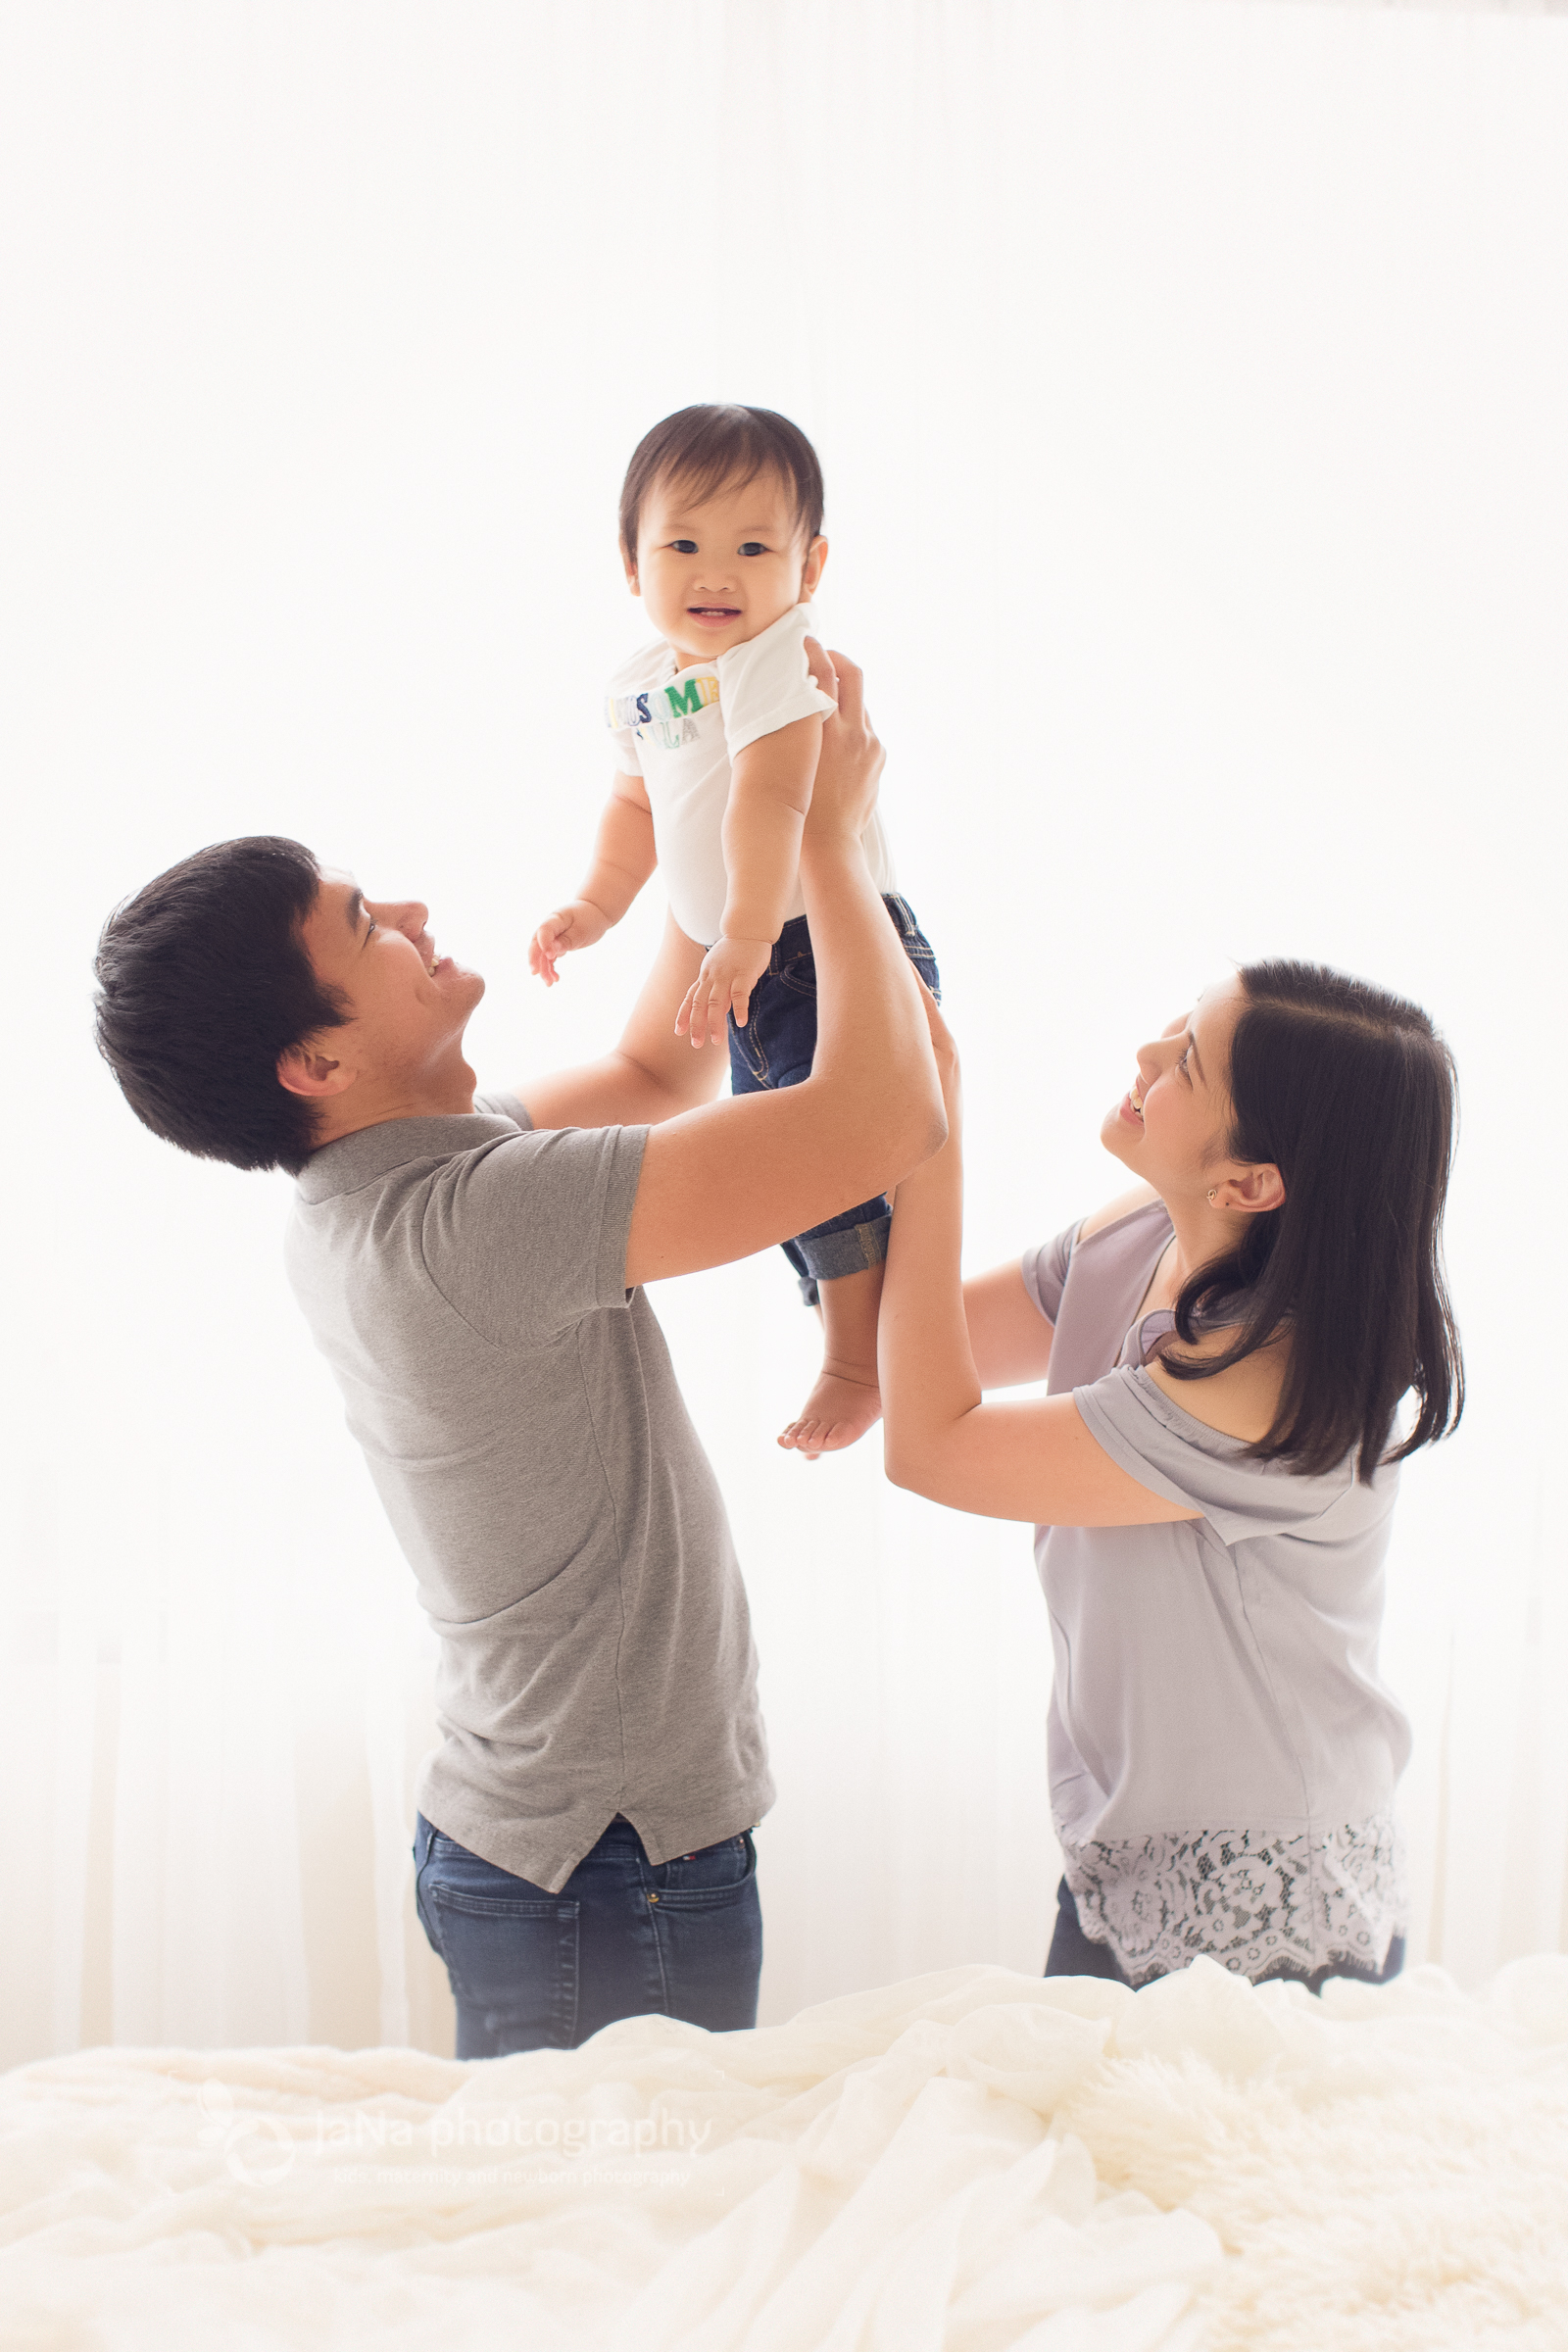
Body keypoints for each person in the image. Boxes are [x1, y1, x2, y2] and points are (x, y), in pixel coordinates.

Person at [92, 657, 944, 2057]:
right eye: (363, 923)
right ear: (316, 1064)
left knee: (592, 2234)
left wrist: (712, 808)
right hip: (608, 1864)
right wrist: (835, 844)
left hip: (558, 1849)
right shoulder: (471, 1225)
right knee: (627, 2247)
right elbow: (879, 1120)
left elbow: (668, 1074)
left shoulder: (400, 1181)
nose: (413, 911)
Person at [877, 963, 1462, 1990]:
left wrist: (932, 1137)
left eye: (1186, 1060)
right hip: (1122, 1863)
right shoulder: (1138, 1230)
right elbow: (927, 1342)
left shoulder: (1261, 1384)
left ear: (1248, 1183)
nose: (1146, 1057)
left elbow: (932, 1444)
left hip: (1268, 1913)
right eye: (1176, 1027)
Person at [528, 404, 939, 1459]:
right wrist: (594, 907)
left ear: (808, 570)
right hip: (746, 951)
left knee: (820, 1158)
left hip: (812, 944)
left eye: (754, 548)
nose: (718, 573)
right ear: (631, 563)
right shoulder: (641, 684)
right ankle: (853, 1339)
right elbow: (637, 812)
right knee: (781, 1159)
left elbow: (770, 800)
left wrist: (748, 935)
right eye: (683, 545)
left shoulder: (776, 659)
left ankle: (856, 1359)